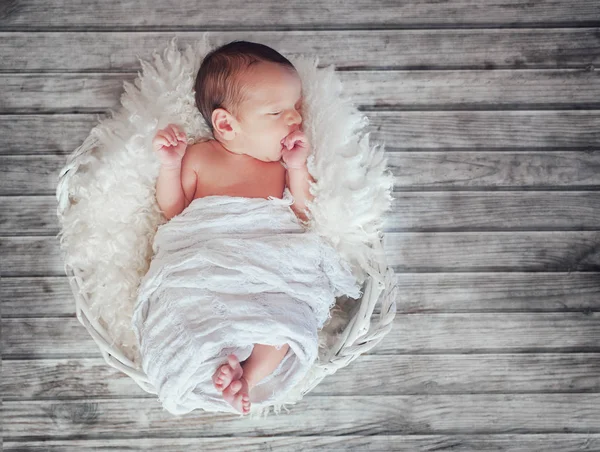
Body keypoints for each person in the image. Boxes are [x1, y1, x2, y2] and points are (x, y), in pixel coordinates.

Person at [152, 41, 315, 415]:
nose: (295, 120)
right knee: (186, 306)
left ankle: (249, 377)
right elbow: (175, 212)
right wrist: (169, 166)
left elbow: (304, 214)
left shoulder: (280, 166)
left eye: (296, 108)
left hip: (266, 267)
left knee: (284, 323)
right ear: (227, 124)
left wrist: (297, 167)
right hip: (207, 261)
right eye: (277, 112)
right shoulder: (201, 157)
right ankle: (213, 356)